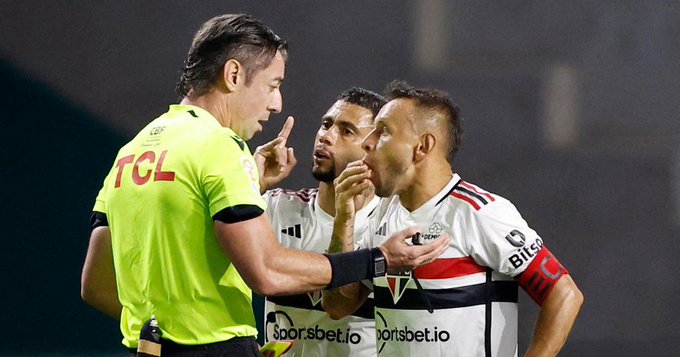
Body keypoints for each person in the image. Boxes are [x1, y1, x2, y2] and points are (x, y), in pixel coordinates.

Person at [79, 14, 449, 356]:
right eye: (273, 85)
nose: (276, 103)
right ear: (234, 75)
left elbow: (95, 286)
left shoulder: (133, 149)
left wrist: (167, 334)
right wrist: (378, 260)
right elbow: (267, 272)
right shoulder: (221, 147)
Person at [323, 81, 584, 357]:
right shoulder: (382, 214)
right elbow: (338, 306)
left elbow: (564, 294)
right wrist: (344, 221)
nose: (367, 142)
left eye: (384, 131)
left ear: (422, 146)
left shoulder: (478, 212)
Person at [260, 87, 386, 356]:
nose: (326, 137)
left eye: (346, 130)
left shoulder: (390, 222)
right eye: (326, 124)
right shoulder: (277, 207)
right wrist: (252, 184)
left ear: (373, 148)